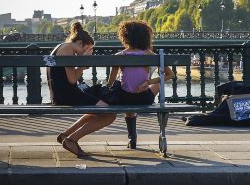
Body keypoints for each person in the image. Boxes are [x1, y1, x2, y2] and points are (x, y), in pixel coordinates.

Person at [48, 22, 116, 156]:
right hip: (66, 94)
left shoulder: (63, 47)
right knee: (110, 114)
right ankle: (71, 139)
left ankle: (65, 135)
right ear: (80, 43)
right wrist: (82, 62)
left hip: (62, 93)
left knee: (96, 110)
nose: (88, 52)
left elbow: (71, 78)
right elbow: (72, 80)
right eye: (88, 49)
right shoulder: (67, 49)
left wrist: (81, 64)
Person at [107, 20, 174, 149]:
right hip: (144, 98)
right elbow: (170, 75)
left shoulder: (119, 56)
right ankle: (159, 121)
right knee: (157, 85)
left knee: (128, 101)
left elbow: (111, 82)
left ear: (125, 37)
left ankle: (132, 138)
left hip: (124, 99)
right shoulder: (150, 54)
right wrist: (149, 82)